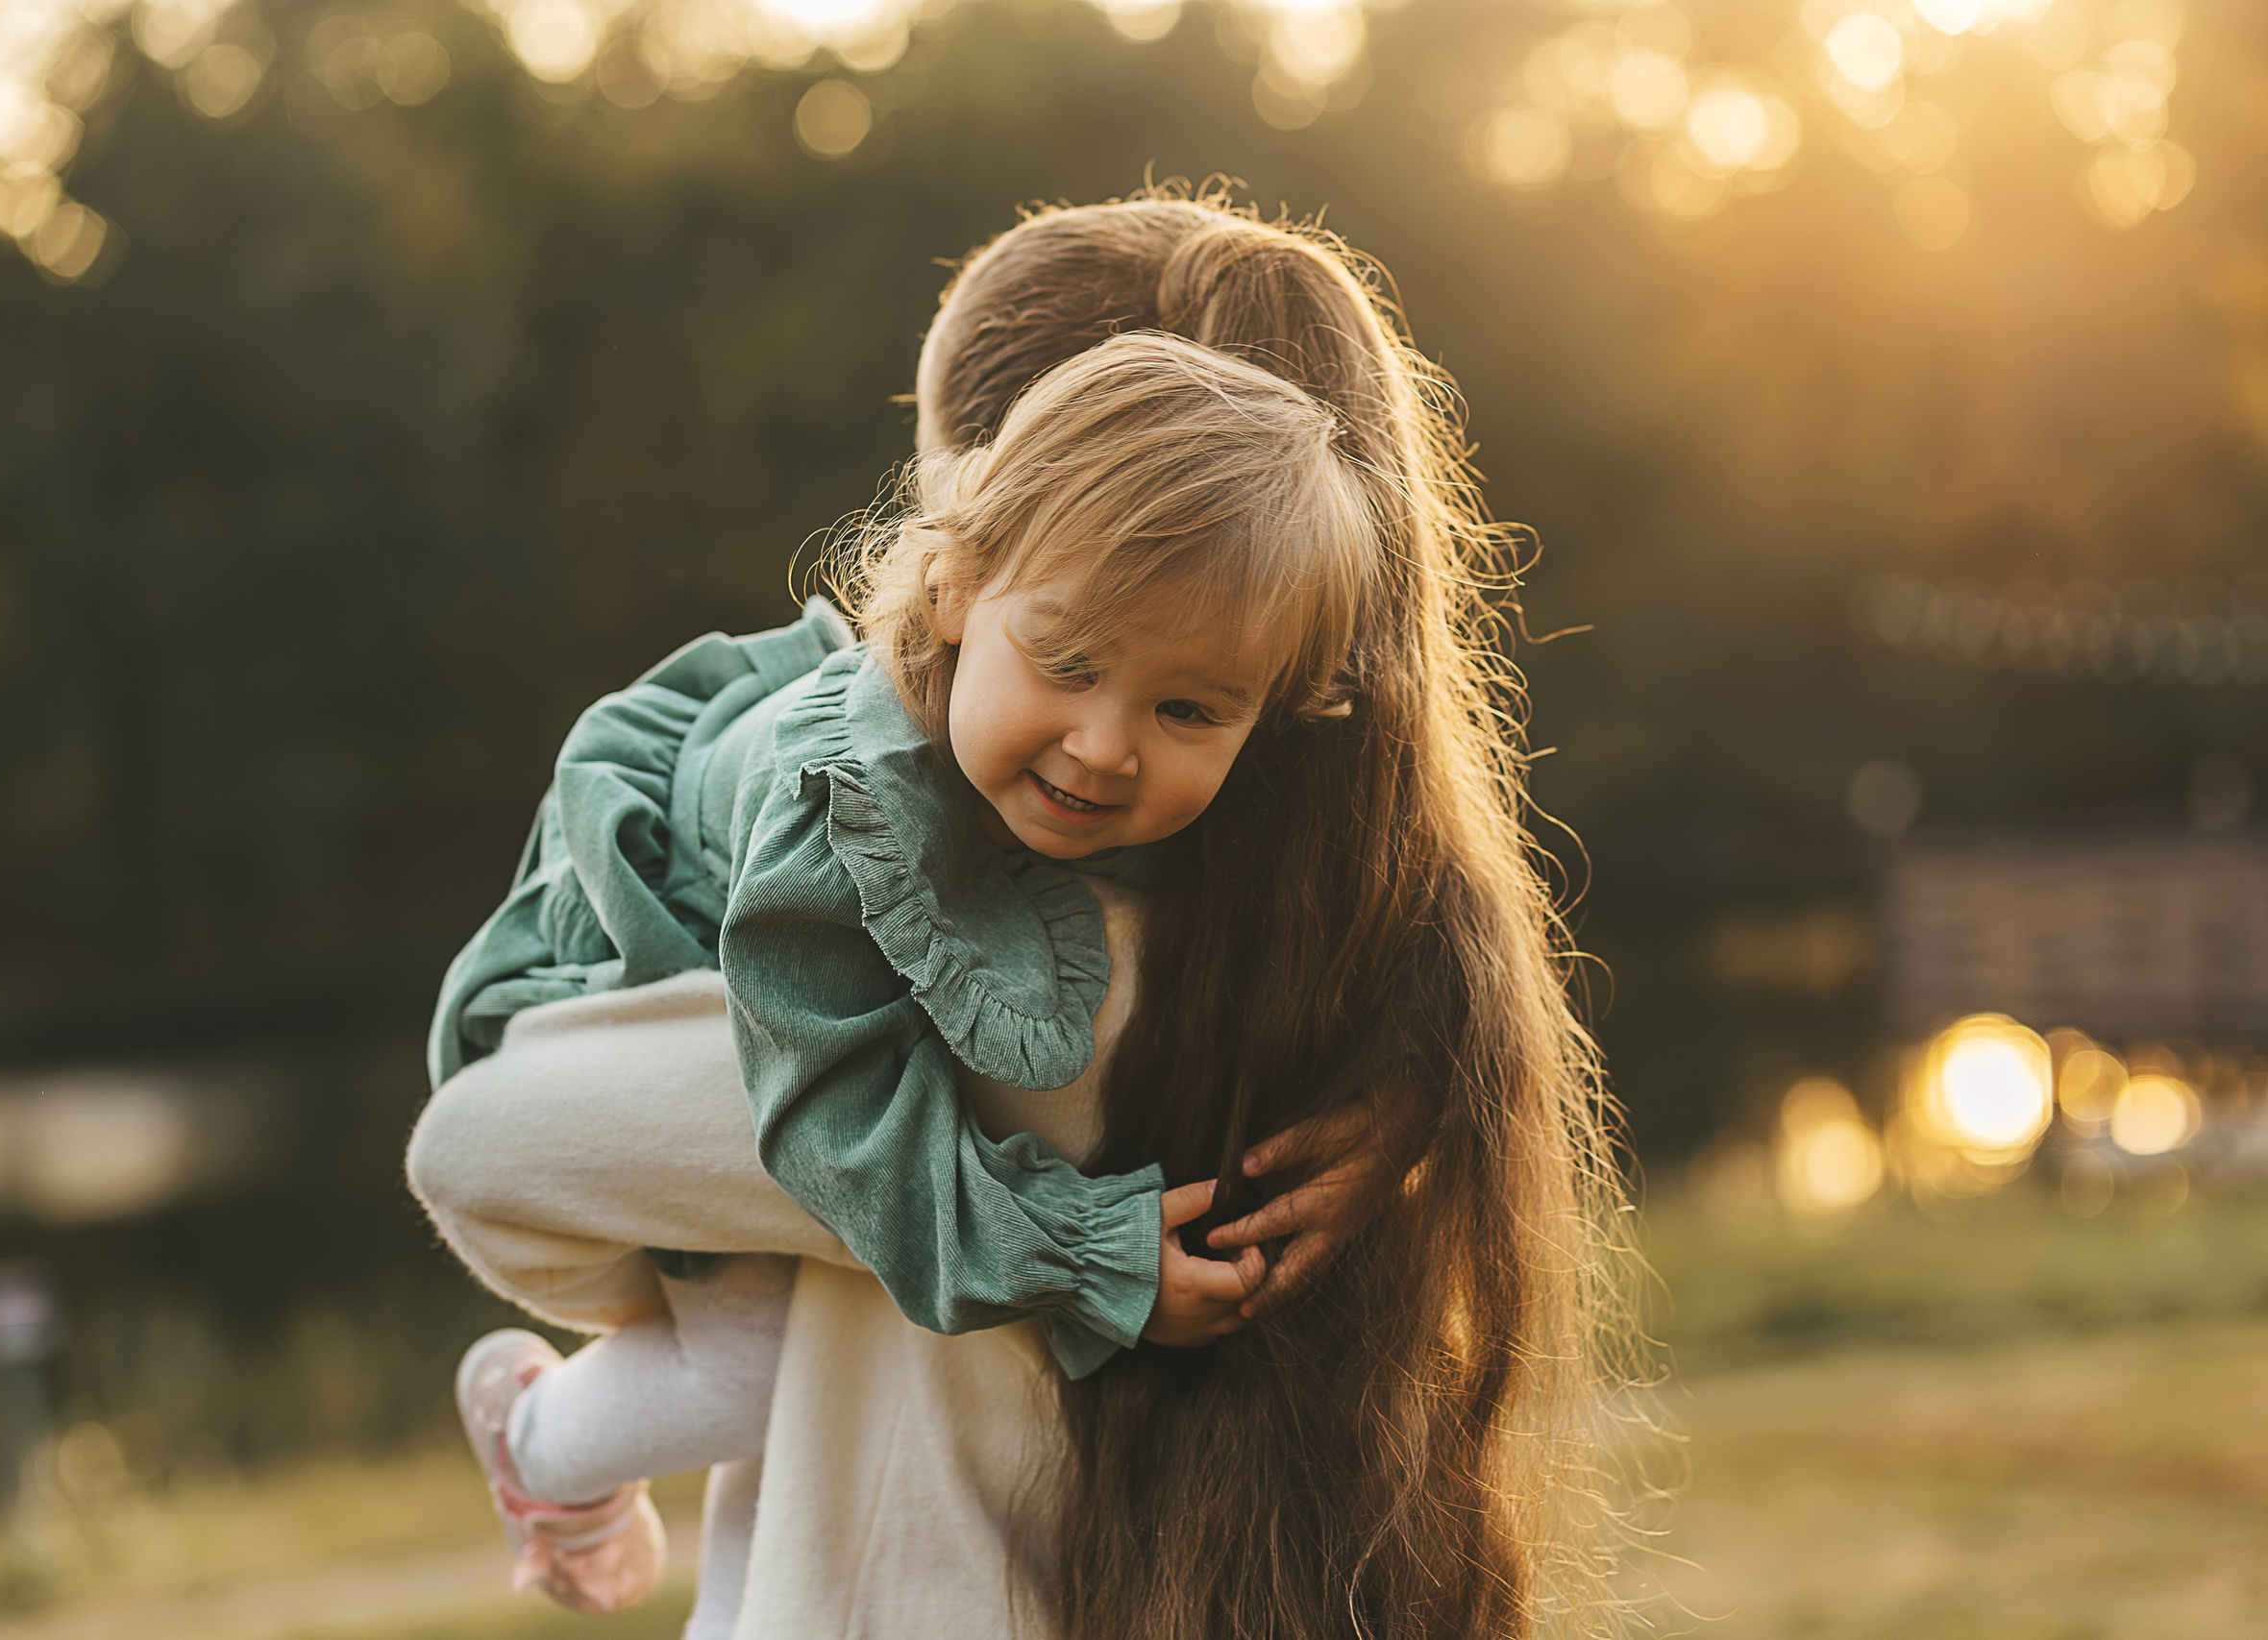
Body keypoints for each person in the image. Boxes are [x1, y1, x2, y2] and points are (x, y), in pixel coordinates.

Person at [410, 186, 1644, 1640]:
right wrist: (1098, 1248)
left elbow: (481, 1148)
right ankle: (544, 1446)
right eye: (1063, 657)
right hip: (650, 917)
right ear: (957, 571)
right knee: (743, 1344)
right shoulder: (877, 816)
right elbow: (818, 1104)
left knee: (745, 1349)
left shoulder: (1091, 949)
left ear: (1290, 692)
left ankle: (542, 1446)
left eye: (1189, 704)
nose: (1103, 748)